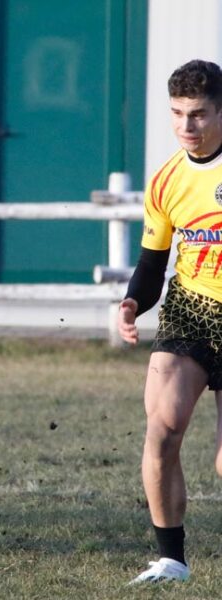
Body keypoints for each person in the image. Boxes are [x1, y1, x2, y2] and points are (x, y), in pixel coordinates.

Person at [118, 59, 222, 584]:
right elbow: (153, 262)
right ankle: (172, 560)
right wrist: (134, 301)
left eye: (199, 115)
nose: (187, 127)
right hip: (191, 309)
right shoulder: (166, 180)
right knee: (162, 428)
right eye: (178, 114)